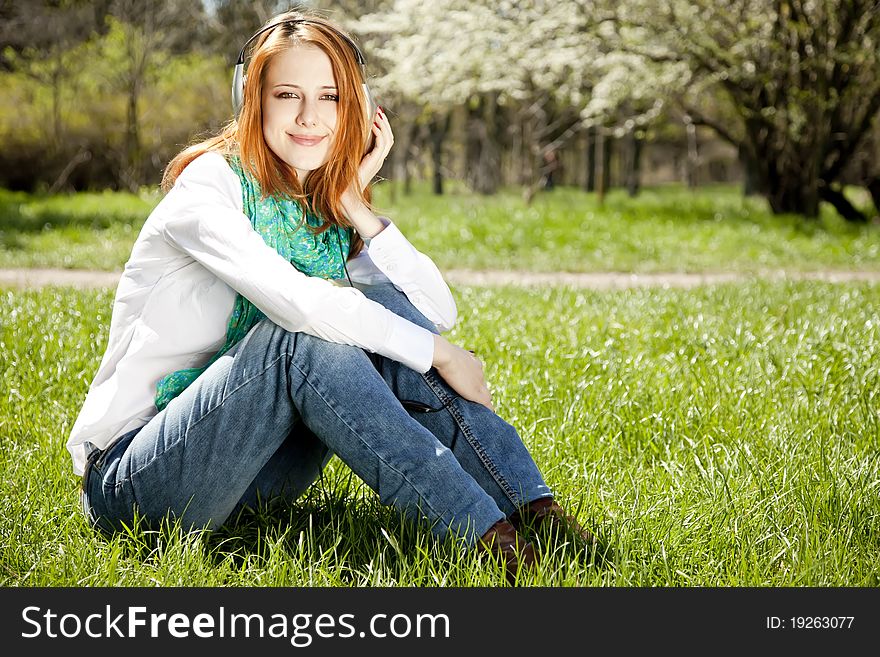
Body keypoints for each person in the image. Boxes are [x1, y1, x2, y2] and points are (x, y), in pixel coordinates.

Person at [69, 10, 592, 583]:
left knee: (385, 316)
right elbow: (299, 305)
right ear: (252, 97)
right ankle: (488, 539)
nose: (310, 117)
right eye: (288, 94)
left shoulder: (323, 205)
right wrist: (439, 353)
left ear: (357, 109)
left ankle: (533, 510)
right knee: (303, 341)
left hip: (252, 479)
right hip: (139, 484)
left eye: (331, 97)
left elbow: (435, 313)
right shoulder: (207, 188)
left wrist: (357, 208)